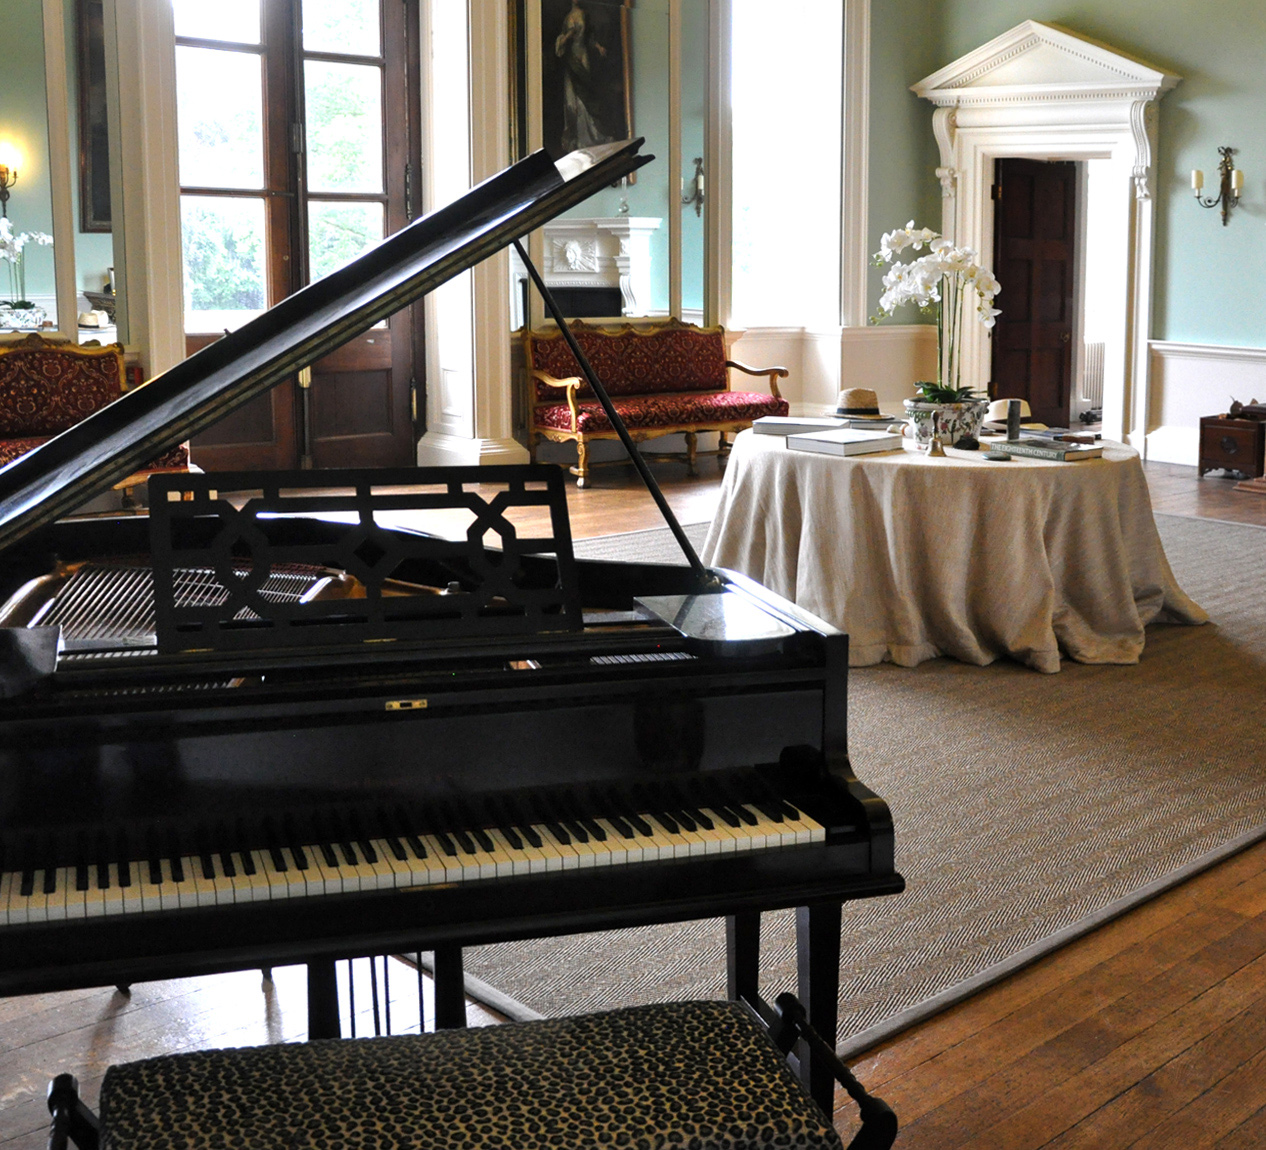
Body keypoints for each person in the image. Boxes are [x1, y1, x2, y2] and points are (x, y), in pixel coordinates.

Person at [554, 0, 613, 152]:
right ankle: (578, 137)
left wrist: (598, 46)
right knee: (572, 99)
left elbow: (589, 36)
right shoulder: (567, 17)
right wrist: (568, 36)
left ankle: (593, 135)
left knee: (586, 94)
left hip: (583, 55)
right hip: (571, 58)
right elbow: (561, 41)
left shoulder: (585, 15)